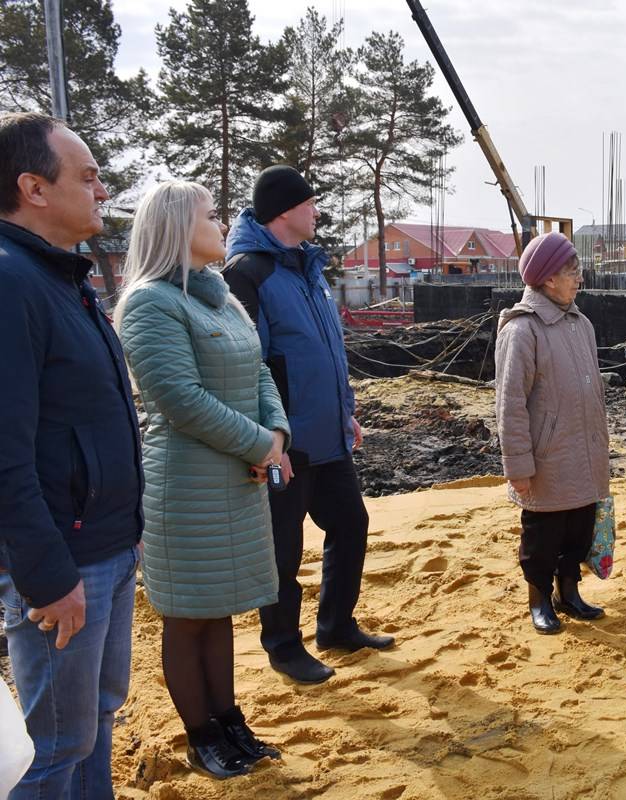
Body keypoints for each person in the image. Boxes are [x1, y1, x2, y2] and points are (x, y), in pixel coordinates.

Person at [115, 181, 291, 778]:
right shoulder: (149, 303)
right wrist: (258, 444)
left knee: (218, 609)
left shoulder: (219, 297)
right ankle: (202, 736)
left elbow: (260, 370)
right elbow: (180, 401)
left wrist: (278, 436)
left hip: (235, 479)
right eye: (210, 215)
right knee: (188, 616)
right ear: (175, 227)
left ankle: (230, 722)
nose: (223, 224)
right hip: (186, 489)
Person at [0, 111, 143, 799]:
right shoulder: (10, 282)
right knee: (53, 747)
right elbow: (5, 453)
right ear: (33, 187)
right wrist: (48, 575)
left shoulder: (64, 280)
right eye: (86, 177)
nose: (101, 188)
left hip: (108, 548)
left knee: (94, 723)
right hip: (64, 565)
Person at [223, 165, 392, 684]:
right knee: (283, 547)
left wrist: (346, 411)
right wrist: (264, 440)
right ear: (284, 210)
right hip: (285, 442)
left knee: (351, 524)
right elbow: (249, 363)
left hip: (329, 434)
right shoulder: (247, 272)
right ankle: (282, 645)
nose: (318, 211)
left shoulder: (309, 268)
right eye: (310, 202)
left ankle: (336, 626)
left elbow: (328, 351)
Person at [495, 232, 610, 634]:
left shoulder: (582, 324)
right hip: (547, 459)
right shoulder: (522, 330)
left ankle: (569, 592)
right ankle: (539, 598)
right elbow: (509, 405)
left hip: (584, 453)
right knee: (543, 537)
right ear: (547, 280)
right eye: (571, 271)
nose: (579, 277)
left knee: (578, 528)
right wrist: (518, 466)